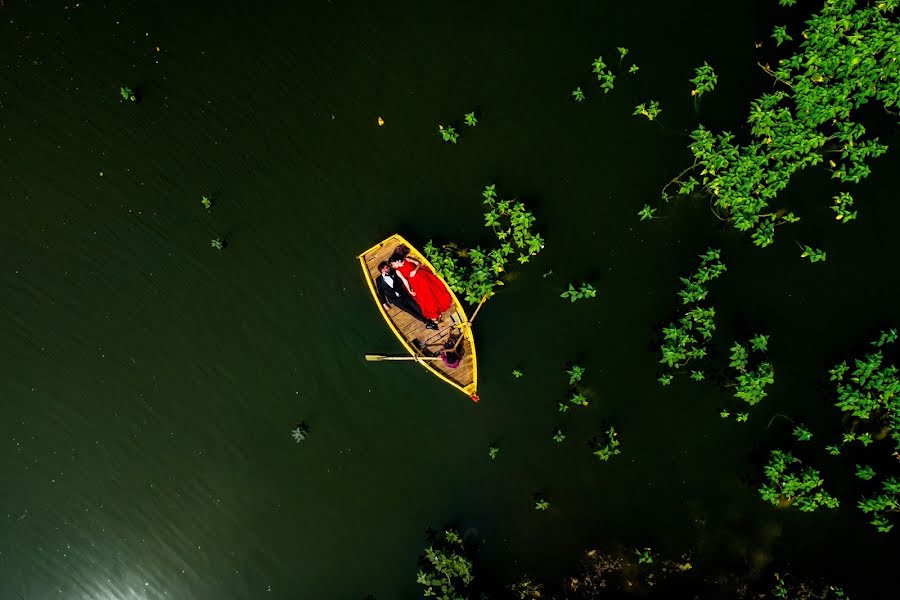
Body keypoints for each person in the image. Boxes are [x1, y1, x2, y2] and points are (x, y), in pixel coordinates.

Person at [388, 248, 452, 323]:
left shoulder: (407, 259)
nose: (393, 266)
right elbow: (404, 281)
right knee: (424, 298)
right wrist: (409, 290)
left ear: (396, 261)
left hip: (421, 276)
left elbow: (418, 263)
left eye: (392, 264)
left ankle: (436, 313)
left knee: (430, 293)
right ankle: (434, 315)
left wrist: (415, 270)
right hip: (414, 283)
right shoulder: (397, 271)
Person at [375, 261, 437, 330]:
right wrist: (384, 303)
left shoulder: (394, 272)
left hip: (404, 295)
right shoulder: (378, 280)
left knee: (417, 307)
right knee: (411, 312)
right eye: (387, 268)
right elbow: (380, 292)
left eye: (388, 267)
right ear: (382, 270)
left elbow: (403, 279)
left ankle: (431, 319)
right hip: (396, 301)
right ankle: (428, 323)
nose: (389, 268)